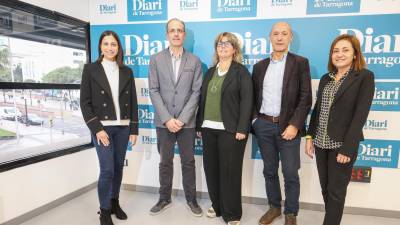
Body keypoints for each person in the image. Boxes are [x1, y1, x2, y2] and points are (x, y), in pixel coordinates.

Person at [305, 34, 375, 225]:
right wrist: (309, 136)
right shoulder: (325, 79)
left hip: (342, 144)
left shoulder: (364, 77)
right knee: (326, 189)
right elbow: (318, 111)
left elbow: (360, 115)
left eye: (345, 50)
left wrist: (347, 148)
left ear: (355, 54)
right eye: (336, 51)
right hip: (320, 143)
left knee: (336, 192)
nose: (339, 54)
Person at [251, 22, 312, 225]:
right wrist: (255, 122)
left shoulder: (300, 63)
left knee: (290, 172)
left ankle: (291, 213)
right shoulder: (259, 66)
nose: (279, 37)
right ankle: (274, 207)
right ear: (270, 37)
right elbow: (252, 97)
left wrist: (294, 125)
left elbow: (305, 98)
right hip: (264, 126)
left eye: (284, 34)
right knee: (269, 170)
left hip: (288, 128)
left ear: (290, 38)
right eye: (275, 34)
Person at [80, 30, 138, 225]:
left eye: (113, 44)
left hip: (122, 127)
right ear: (100, 46)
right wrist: (97, 129)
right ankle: (104, 210)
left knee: (118, 168)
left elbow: (133, 101)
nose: (110, 47)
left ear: (118, 47)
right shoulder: (90, 69)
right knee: (107, 169)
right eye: (106, 44)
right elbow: (85, 103)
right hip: (102, 128)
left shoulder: (126, 71)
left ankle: (114, 202)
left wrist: (134, 129)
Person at [196, 32, 253, 225]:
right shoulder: (210, 72)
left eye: (227, 43)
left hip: (231, 130)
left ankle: (232, 213)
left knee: (230, 172)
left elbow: (247, 102)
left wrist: (242, 128)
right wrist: (199, 124)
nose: (223, 46)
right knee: (211, 170)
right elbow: (202, 100)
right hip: (208, 129)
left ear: (234, 49)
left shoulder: (241, 72)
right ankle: (217, 204)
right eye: (220, 43)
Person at [148, 18, 203, 216]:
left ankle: (191, 199)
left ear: (184, 34)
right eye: (172, 30)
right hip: (164, 123)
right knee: (165, 162)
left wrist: (181, 119)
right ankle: (164, 198)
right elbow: (153, 90)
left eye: (180, 30)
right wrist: (167, 119)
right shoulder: (155, 59)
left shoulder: (195, 61)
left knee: (188, 162)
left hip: (186, 123)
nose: (176, 34)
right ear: (167, 34)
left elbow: (197, 92)